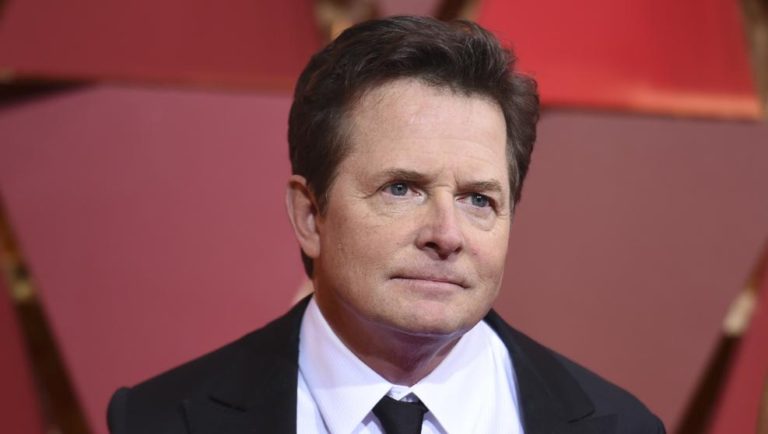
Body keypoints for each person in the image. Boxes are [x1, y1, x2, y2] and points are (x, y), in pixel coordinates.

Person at [107, 16, 665, 434]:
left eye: (477, 199)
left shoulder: (621, 426)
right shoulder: (159, 421)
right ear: (310, 215)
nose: (446, 234)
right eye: (402, 189)